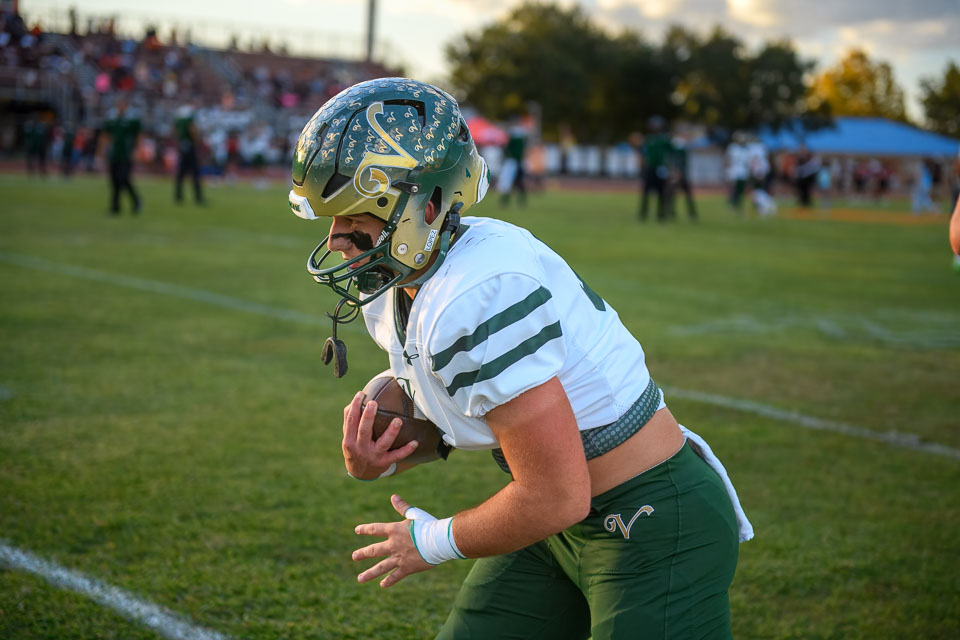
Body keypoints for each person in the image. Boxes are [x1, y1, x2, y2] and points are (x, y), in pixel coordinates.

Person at [286, 78, 753, 639]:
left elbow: (555, 494)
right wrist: (380, 457)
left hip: (651, 520)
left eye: (354, 218)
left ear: (425, 205)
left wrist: (430, 542)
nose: (336, 240)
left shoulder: (477, 292)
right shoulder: (402, 284)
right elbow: (469, 411)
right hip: (554, 522)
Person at [102, 96, 142, 215]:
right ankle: (116, 206)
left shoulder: (132, 119)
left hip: (126, 154)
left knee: (123, 178)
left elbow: (138, 135)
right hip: (114, 153)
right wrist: (103, 150)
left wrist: (136, 150)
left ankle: (134, 200)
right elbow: (106, 135)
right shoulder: (112, 117)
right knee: (114, 180)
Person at [638, 116, 673, 221]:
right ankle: (643, 213)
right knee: (646, 191)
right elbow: (643, 154)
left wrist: (671, 168)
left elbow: (671, 153)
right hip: (650, 168)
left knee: (661, 191)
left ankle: (661, 213)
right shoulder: (648, 139)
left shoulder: (665, 139)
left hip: (661, 168)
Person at [173, 104, 205, 205]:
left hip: (183, 146)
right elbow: (192, 130)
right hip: (189, 147)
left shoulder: (179, 118)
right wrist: (197, 139)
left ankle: (178, 196)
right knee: (195, 172)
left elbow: (176, 131)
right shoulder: (190, 118)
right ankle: (198, 197)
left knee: (181, 172)